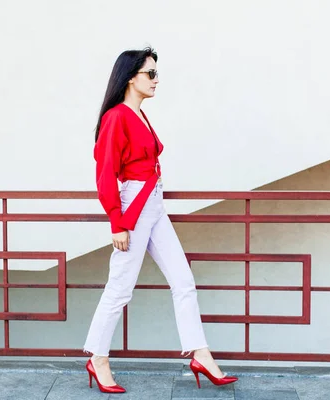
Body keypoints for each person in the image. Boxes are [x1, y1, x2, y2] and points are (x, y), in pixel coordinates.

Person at [83, 47, 238, 394]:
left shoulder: (139, 115)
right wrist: (117, 222)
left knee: (183, 281)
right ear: (130, 77)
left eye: (156, 74)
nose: (156, 80)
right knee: (120, 289)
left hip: (153, 206)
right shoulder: (116, 118)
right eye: (150, 74)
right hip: (134, 209)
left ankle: (201, 354)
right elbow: (105, 172)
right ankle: (98, 358)